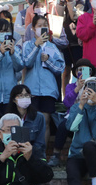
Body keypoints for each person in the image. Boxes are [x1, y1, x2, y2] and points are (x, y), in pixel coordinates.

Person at [21, 14, 64, 143]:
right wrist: (36, 46)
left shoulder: (52, 46)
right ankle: (29, 153)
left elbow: (60, 68)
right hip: (31, 89)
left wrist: (48, 60)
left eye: (45, 25)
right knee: (30, 120)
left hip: (48, 90)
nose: (42, 28)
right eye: (39, 26)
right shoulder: (27, 45)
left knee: (45, 121)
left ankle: (42, 155)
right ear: (33, 29)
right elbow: (26, 62)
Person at [48, 59, 95, 167]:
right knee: (63, 126)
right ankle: (56, 154)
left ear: (91, 72)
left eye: (86, 70)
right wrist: (77, 88)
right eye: (80, 70)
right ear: (76, 72)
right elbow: (66, 103)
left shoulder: (95, 85)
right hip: (73, 117)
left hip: (89, 117)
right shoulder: (71, 86)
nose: (83, 73)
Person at [55, 0, 85, 94]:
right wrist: (62, 2)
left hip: (78, 43)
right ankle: (66, 96)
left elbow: (74, 16)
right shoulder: (61, 3)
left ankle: (82, 93)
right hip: (65, 43)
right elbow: (57, 17)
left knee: (82, 69)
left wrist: (70, 1)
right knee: (66, 71)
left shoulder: (80, 2)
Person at [5, 84, 46, 159]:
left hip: (34, 155)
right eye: (20, 95)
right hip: (13, 155)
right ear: (14, 99)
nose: (24, 98)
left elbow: (40, 142)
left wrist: (29, 150)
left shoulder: (39, 117)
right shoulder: (8, 118)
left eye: (27, 95)